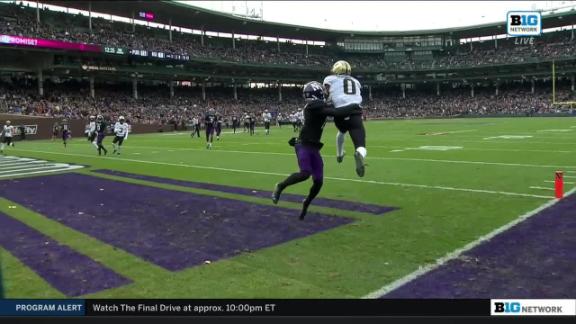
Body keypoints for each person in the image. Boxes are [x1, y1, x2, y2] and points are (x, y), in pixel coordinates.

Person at [271, 81, 350, 220]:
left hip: (313, 146)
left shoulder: (316, 105)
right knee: (305, 173)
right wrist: (350, 106)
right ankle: (280, 186)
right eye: (322, 91)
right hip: (304, 145)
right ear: (317, 92)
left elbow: (333, 110)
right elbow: (334, 111)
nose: (324, 93)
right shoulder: (314, 105)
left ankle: (306, 202)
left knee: (319, 181)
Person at [323, 60, 367, 177]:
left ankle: (339, 154)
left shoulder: (329, 79)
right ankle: (359, 153)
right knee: (361, 145)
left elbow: (326, 96)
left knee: (342, 131)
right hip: (355, 113)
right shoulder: (356, 82)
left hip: (339, 114)